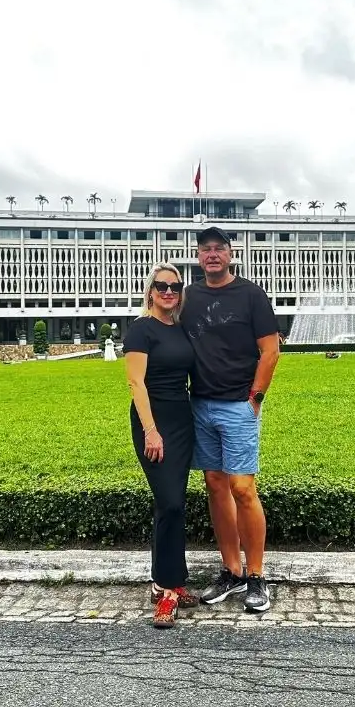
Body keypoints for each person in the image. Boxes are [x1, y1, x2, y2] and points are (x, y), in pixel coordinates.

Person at [181, 226, 280, 613]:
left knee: (243, 488)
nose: (212, 255)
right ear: (198, 255)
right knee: (215, 486)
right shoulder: (188, 296)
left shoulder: (251, 295)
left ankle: (256, 575)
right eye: (205, 249)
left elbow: (270, 351)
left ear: (230, 254)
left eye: (218, 248)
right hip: (200, 404)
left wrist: (255, 398)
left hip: (239, 405)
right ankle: (231, 570)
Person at [124, 263, 198, 628]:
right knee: (170, 502)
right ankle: (169, 593)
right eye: (162, 286)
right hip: (153, 421)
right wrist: (151, 431)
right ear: (150, 291)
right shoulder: (141, 329)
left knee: (171, 504)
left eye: (175, 286)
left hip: (182, 420)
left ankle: (164, 580)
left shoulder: (181, 329)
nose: (169, 291)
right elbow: (136, 384)